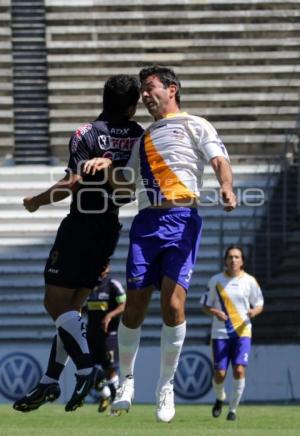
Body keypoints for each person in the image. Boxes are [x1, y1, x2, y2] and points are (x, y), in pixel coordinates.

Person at [83, 64, 237, 423]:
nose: (145, 95)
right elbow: (124, 187)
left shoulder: (195, 125)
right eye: (142, 90)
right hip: (146, 222)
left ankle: (165, 386)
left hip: (182, 220)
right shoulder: (143, 139)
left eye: (150, 87)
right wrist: (106, 166)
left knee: (173, 306)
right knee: (134, 309)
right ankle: (127, 381)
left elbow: (219, 159)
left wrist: (226, 186)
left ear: (172, 89)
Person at [13, 75, 143, 413]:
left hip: (80, 225)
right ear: (132, 106)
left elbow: (72, 182)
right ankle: (51, 380)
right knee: (71, 309)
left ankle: (87, 368)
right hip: (109, 228)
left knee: (54, 302)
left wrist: (37, 201)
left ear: (104, 98)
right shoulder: (139, 137)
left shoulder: (87, 133)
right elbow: (131, 186)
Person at [202, 245, 264, 421]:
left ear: (242, 261)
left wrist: (254, 312)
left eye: (237, 257)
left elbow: (259, 303)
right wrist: (215, 312)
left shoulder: (250, 281)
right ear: (225, 260)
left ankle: (233, 410)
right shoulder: (216, 281)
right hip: (220, 333)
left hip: (243, 331)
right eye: (230, 257)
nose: (233, 260)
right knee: (220, 373)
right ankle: (220, 397)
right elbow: (205, 305)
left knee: (238, 370)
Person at [84, 264, 126, 413]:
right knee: (88, 371)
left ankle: (117, 405)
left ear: (107, 268)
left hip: (109, 336)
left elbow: (124, 305)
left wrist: (109, 316)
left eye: (104, 265)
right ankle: (105, 395)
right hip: (91, 335)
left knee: (109, 370)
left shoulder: (113, 285)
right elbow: (84, 307)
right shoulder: (87, 285)